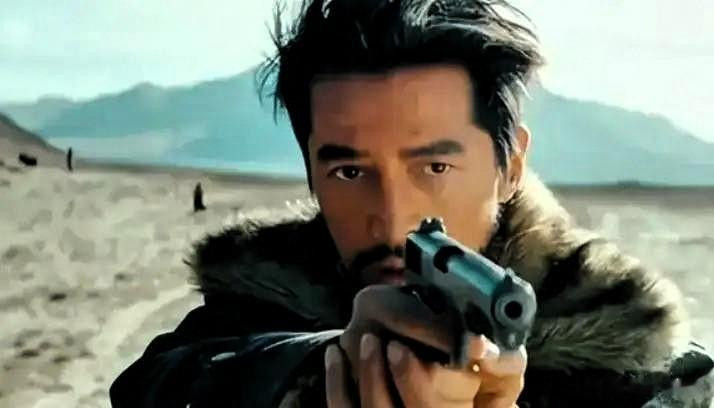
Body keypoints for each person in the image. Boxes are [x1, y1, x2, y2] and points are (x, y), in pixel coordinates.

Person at [110, 0, 714, 406]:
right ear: (311, 176)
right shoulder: (259, 305)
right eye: (350, 171)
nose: (396, 220)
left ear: (510, 166)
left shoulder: (638, 354)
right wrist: (323, 373)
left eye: (435, 168)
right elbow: (154, 385)